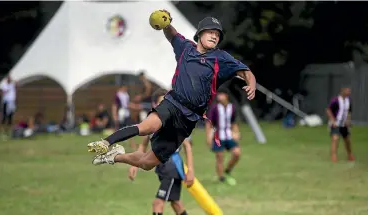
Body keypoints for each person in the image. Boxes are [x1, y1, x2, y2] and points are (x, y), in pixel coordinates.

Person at [88, 12, 256, 172]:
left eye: (217, 35)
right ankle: (105, 142)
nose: (214, 36)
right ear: (199, 34)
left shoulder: (221, 58)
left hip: (189, 118)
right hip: (173, 103)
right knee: (147, 127)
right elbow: (171, 34)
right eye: (210, 32)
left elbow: (246, 72)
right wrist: (166, 23)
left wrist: (251, 84)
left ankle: (114, 156)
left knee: (147, 163)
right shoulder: (185, 48)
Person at [128, 89, 193, 215]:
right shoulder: (151, 123)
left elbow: (187, 146)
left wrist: (190, 170)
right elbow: (143, 145)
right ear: (154, 105)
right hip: (161, 167)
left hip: (172, 168)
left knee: (158, 203)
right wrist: (133, 165)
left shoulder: (175, 121)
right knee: (176, 203)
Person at [206, 89, 241, 186]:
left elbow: (233, 122)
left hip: (229, 135)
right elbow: (209, 123)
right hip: (218, 136)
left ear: (226, 96)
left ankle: (228, 170)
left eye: (221, 94)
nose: (219, 96)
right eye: (219, 94)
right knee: (220, 157)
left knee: (237, 153)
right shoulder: (215, 108)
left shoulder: (232, 107)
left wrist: (236, 132)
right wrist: (208, 136)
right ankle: (221, 178)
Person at [326, 87, 355, 162]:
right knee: (335, 138)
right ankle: (334, 156)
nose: (349, 92)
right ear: (342, 91)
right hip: (336, 123)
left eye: (349, 91)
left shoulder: (349, 101)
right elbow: (328, 110)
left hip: (344, 124)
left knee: (347, 140)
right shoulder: (336, 100)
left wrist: (348, 120)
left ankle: (350, 154)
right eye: (347, 91)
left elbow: (349, 112)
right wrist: (333, 121)